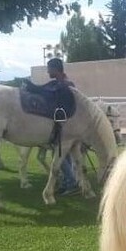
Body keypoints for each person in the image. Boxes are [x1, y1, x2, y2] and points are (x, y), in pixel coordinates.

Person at [46, 57, 80, 196]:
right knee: (63, 156)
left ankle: (72, 182)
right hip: (60, 126)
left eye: (49, 69)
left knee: (58, 154)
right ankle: (67, 182)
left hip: (66, 127)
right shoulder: (58, 83)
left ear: (55, 69)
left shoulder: (67, 85)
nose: (48, 71)